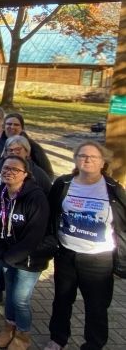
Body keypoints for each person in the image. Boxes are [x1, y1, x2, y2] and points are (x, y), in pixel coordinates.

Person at [45, 141, 126, 350]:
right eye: (82, 156)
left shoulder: (113, 189)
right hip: (67, 254)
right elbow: (52, 213)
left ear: (103, 162)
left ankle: (94, 344)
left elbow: (122, 224)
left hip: (99, 259)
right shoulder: (63, 184)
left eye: (93, 157)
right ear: (75, 160)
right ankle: (58, 339)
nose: (87, 160)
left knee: (96, 306)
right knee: (62, 300)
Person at [0, 156, 50, 350]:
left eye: (15, 169)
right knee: (10, 294)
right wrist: (0, 250)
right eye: (6, 168)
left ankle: (23, 334)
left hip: (30, 258)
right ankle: (9, 327)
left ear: (25, 174)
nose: (9, 172)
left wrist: (10, 257)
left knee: (21, 299)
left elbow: (35, 235)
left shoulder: (36, 197)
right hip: (7, 255)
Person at [0, 113, 54, 178]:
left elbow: (48, 173)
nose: (12, 127)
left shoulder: (34, 147)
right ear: (3, 127)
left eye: (16, 125)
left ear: (22, 128)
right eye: (9, 124)